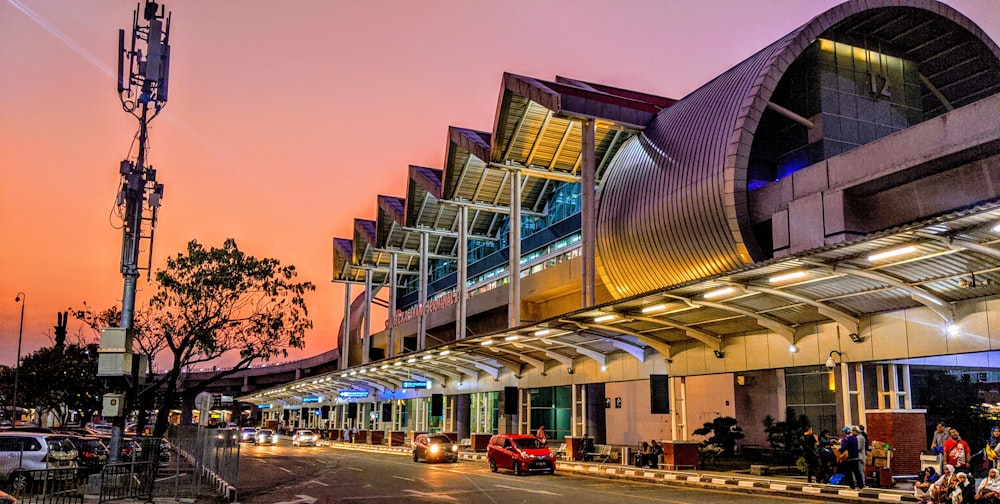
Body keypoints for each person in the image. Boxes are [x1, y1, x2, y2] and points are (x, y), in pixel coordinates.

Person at [838, 426, 865, 490]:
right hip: (855, 457)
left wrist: (839, 449)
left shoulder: (845, 439)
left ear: (844, 433)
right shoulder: (854, 438)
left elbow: (843, 448)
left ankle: (852, 486)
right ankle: (860, 485)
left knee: (849, 473)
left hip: (849, 458)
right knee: (857, 471)